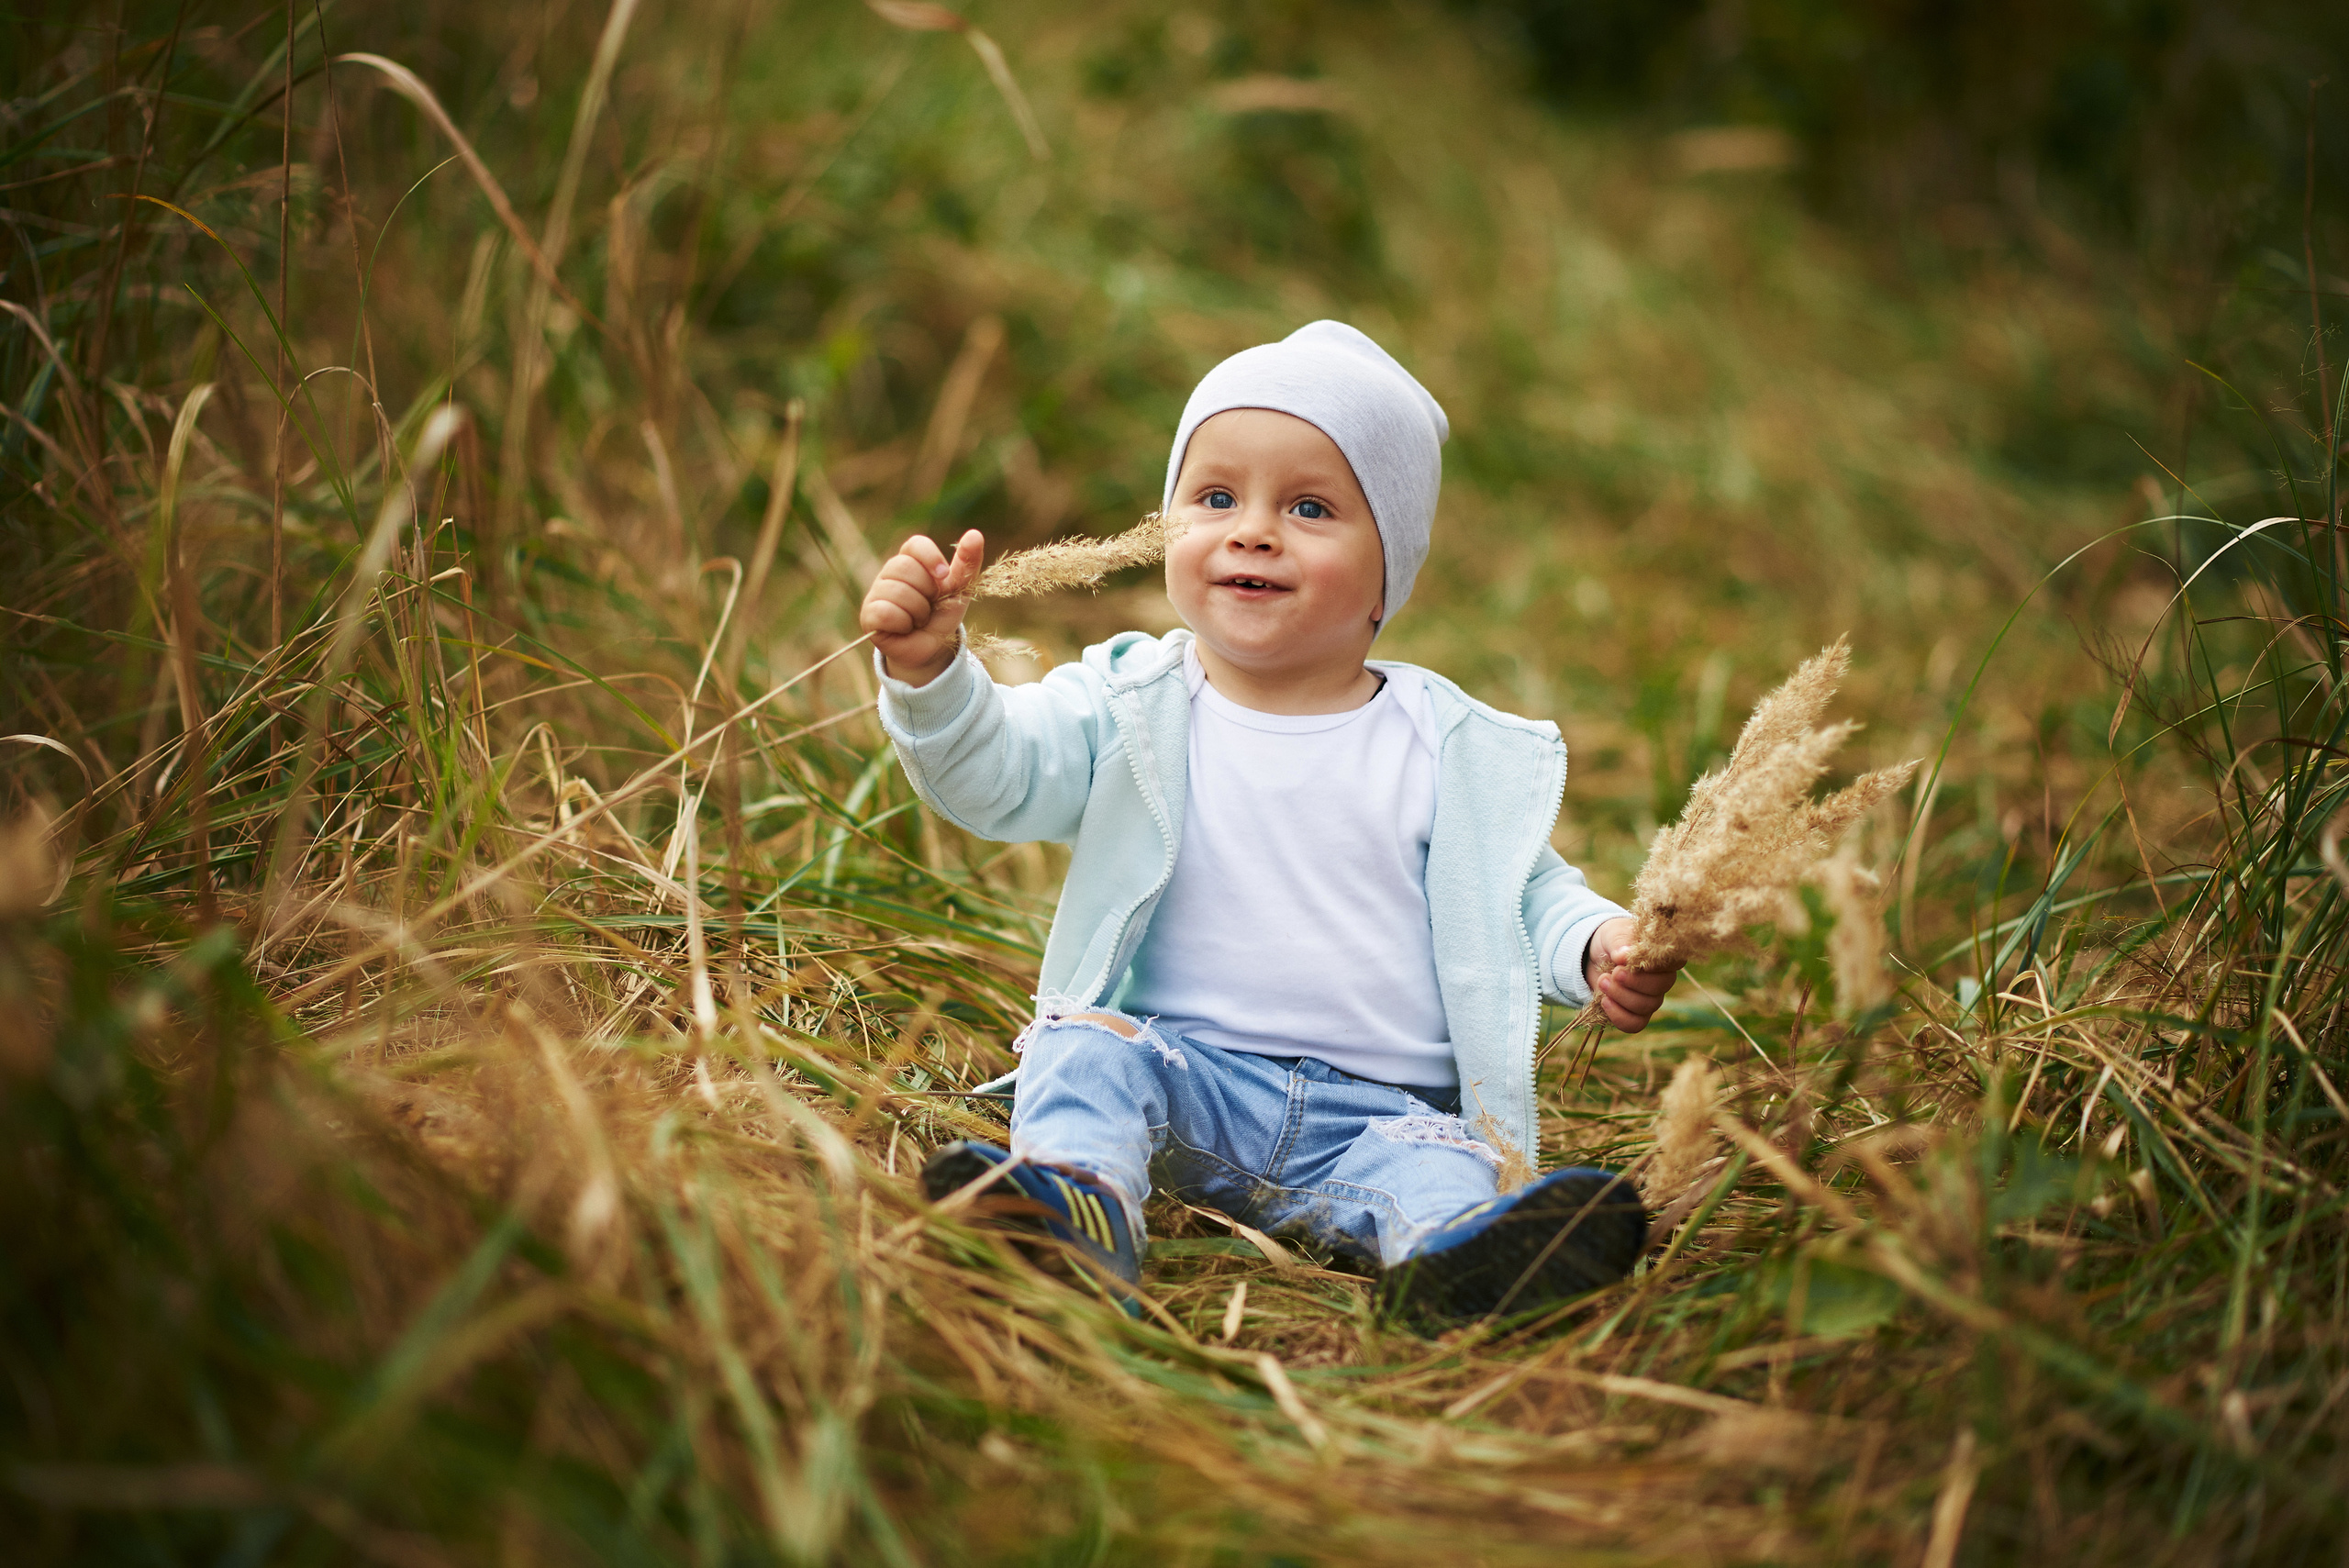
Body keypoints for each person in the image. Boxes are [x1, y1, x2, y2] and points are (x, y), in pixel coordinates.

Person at [858, 321, 1679, 1326]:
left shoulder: (1440, 742)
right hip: (1181, 1075)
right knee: (1080, 1048)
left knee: (1448, 1165)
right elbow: (998, 776)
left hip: (1379, 1115)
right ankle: (1074, 1203)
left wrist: (1597, 942)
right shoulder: (1134, 697)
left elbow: (1523, 888)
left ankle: (1462, 1264)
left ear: (1390, 568)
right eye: (1215, 497)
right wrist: (933, 676)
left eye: (1309, 505)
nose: (1252, 529)